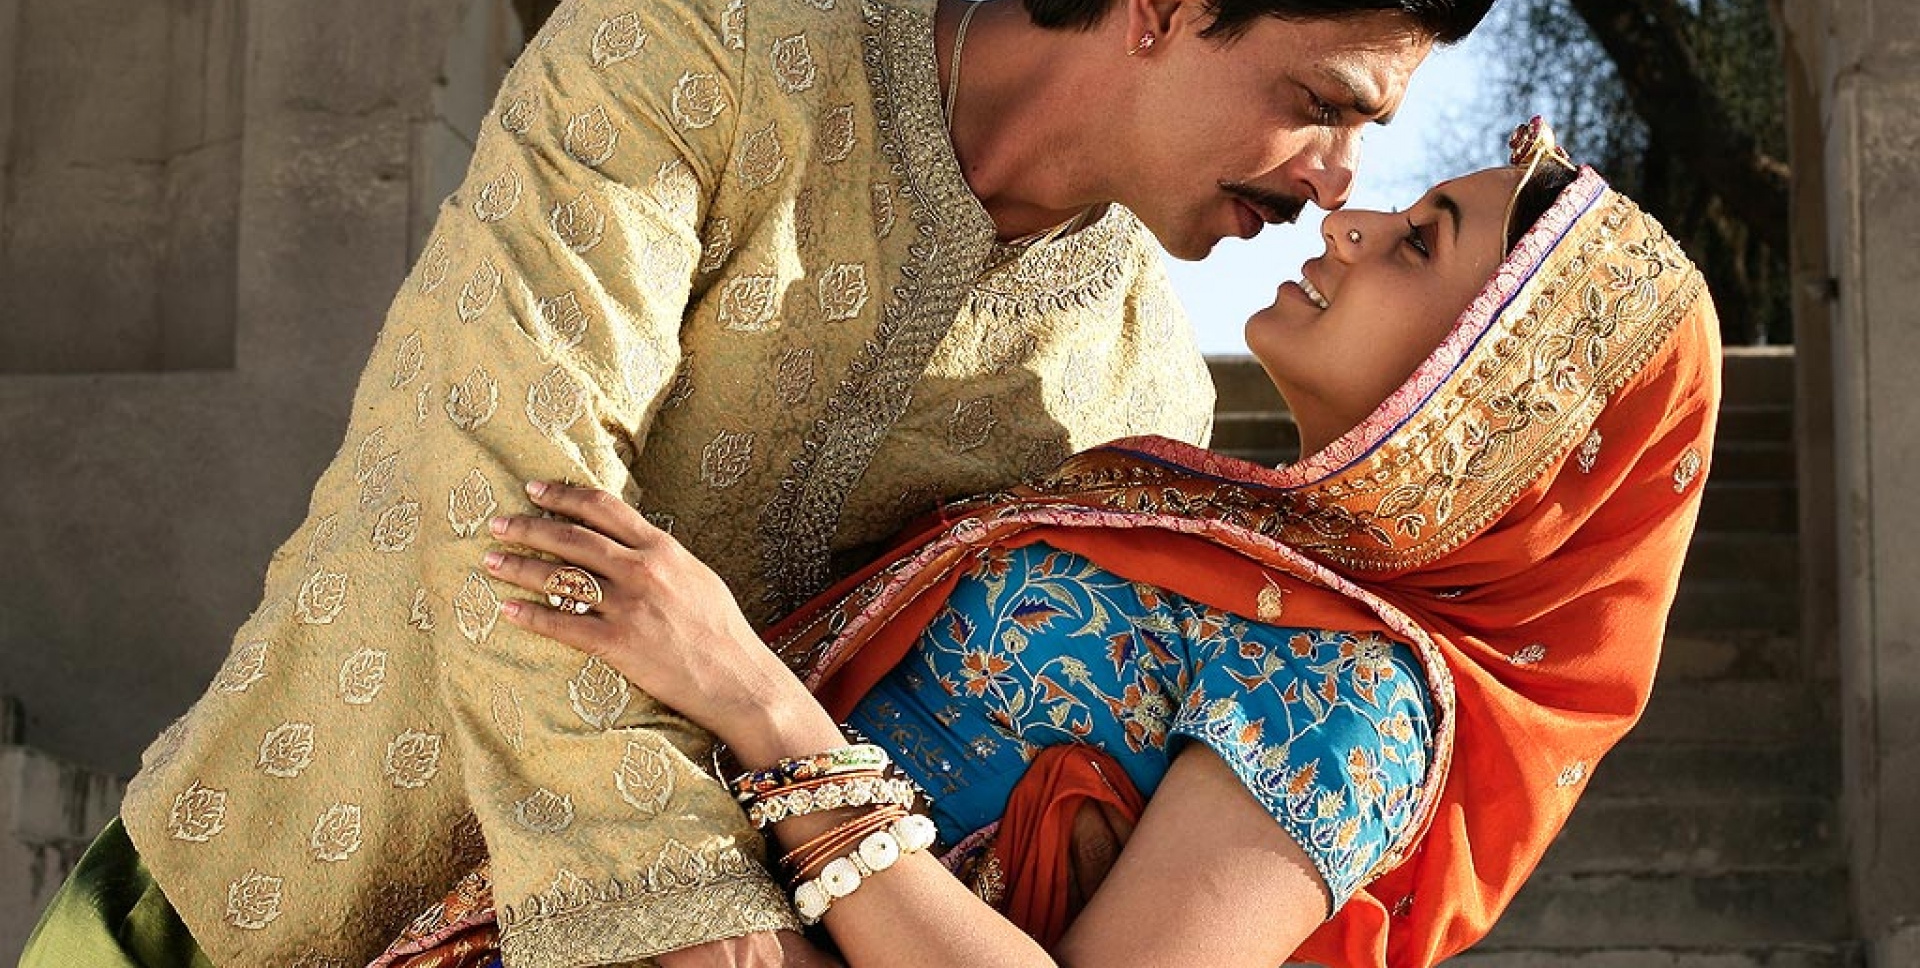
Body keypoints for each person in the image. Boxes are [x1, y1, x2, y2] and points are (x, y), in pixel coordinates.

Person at [22, 0, 1503, 968]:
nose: (1338, 183)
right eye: (1324, 104)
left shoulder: (1141, 384)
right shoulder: (709, 29)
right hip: (259, 884)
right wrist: (697, 911)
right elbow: (502, 480)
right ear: (1169, 0)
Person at [354, 119, 1722, 968]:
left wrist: (756, 704)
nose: (1353, 221)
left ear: (1497, 406)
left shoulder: (1354, 694)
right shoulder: (1195, 511)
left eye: (1419, 243)